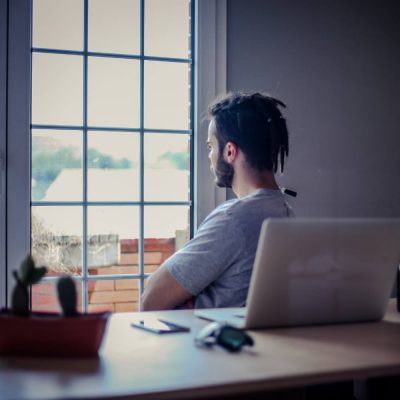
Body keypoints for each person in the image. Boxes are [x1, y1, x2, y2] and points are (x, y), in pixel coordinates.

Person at [141, 92, 293, 311]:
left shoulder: (235, 219)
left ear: (230, 151)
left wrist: (193, 297)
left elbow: (151, 299)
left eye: (211, 146)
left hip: (206, 342)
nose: (210, 156)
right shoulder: (284, 212)